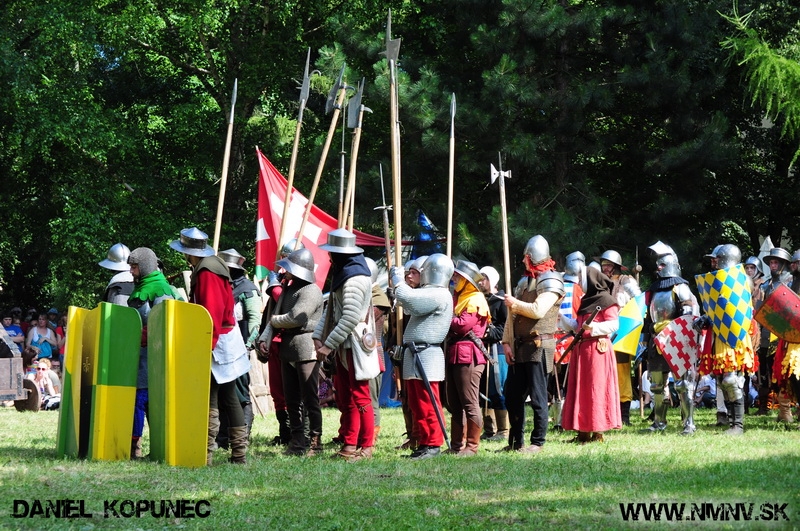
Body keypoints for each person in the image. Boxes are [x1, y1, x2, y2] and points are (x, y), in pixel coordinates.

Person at [170, 227, 250, 464]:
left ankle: (205, 454)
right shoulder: (209, 266)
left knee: (212, 396)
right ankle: (238, 454)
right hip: (220, 337)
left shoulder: (207, 271)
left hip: (216, 340)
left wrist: (207, 344)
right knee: (228, 396)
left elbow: (211, 313)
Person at [313, 229, 374, 462]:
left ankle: (366, 447)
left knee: (360, 396)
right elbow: (331, 310)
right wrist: (317, 336)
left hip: (354, 343)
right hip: (344, 343)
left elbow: (349, 317)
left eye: (332, 253)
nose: (329, 257)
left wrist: (328, 345)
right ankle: (350, 444)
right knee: (347, 397)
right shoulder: (344, 274)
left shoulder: (354, 278)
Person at [501, 235, 565, 453]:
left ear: (532, 257)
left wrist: (514, 303)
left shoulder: (552, 281)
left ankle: (537, 442)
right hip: (520, 347)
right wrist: (507, 343)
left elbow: (538, 310)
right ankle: (515, 442)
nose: (523, 261)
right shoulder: (523, 283)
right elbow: (512, 318)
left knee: (538, 397)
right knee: (512, 395)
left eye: (526, 257)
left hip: (539, 346)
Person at [258, 248, 323, 456]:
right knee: (292, 400)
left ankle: (315, 442)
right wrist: (264, 338)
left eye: (288, 267)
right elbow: (276, 317)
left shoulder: (311, 290)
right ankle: (297, 442)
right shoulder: (288, 288)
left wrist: (275, 321)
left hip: (306, 348)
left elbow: (296, 317)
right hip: (288, 348)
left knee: (310, 399)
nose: (283, 270)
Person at [389, 253, 454, 460]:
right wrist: (398, 292)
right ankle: (424, 441)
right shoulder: (430, 293)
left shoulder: (439, 294)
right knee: (417, 403)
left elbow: (411, 300)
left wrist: (398, 281)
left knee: (427, 401)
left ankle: (433, 444)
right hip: (417, 353)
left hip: (426, 353)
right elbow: (410, 306)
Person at [696, 244, 756, 435]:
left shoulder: (741, 280)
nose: (713, 262)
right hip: (718, 334)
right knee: (722, 380)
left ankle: (738, 425)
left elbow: (739, 308)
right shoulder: (715, 281)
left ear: (726, 259)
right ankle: (730, 421)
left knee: (732, 379)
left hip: (735, 336)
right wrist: (705, 318)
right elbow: (716, 309)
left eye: (716, 259)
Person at [641, 241, 699, 434]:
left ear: (672, 265)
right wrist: (646, 338)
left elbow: (688, 317)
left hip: (676, 340)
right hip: (657, 340)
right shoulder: (654, 290)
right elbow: (649, 318)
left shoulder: (681, 288)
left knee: (683, 385)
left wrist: (678, 335)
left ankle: (689, 423)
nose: (658, 267)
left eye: (663, 264)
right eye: (658, 264)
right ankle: (659, 422)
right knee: (657, 385)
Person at [560, 267, 622, 442]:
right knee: (583, 390)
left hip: (597, 351)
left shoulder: (607, 300)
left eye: (582, 278)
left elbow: (614, 324)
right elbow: (578, 326)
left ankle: (597, 431)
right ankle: (583, 431)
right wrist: (562, 319)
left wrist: (594, 327)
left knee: (596, 389)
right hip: (583, 351)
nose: (580, 282)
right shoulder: (585, 301)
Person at [126, 247, 174, 459]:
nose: (131, 271)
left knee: (143, 401)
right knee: (139, 400)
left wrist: (144, 336)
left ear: (145, 267)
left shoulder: (161, 289)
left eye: (134, 267)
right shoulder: (142, 287)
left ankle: (144, 447)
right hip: (140, 356)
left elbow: (163, 323)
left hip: (153, 359)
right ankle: (136, 446)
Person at [217, 249, 261, 449]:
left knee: (240, 392)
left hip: (240, 346)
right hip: (223, 348)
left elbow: (254, 319)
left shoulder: (247, 289)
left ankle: (241, 436)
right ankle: (223, 437)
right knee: (222, 391)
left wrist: (248, 345)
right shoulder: (223, 286)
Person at [446, 260, 489, 456]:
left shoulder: (475, 299)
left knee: (470, 403)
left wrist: (446, 317)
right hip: (455, 353)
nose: (454, 279)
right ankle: (456, 445)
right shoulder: (458, 298)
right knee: (455, 404)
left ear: (467, 280)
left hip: (469, 354)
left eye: (458, 276)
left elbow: (462, 325)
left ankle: (472, 446)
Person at [599, 250, 642, 426]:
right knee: (605, 372)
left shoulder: (626, 281)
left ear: (616, 266)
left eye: (608, 265)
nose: (605, 268)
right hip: (604, 331)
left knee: (622, 372)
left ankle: (624, 415)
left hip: (623, 332)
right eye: (603, 265)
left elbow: (639, 301)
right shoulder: (601, 282)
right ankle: (608, 412)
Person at [755, 247, 793, 417]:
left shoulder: (792, 283)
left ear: (784, 264)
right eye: (771, 263)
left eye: (776, 262)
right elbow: (759, 311)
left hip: (784, 334)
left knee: (784, 372)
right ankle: (764, 405)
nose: (773, 265)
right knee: (764, 371)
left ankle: (786, 407)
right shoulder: (766, 285)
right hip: (766, 334)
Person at [478, 266, 508, 441]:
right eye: (480, 278)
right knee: (484, 388)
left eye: (484, 278)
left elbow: (506, 327)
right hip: (482, 348)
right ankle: (490, 429)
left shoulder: (502, 301)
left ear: (492, 280)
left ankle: (503, 430)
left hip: (497, 349)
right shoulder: (480, 299)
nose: (481, 282)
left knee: (498, 387)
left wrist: (491, 332)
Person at [364, 257, 391, 444]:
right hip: (361, 352)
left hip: (373, 353)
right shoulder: (365, 294)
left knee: (371, 397)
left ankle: (371, 436)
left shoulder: (379, 298)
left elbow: (364, 318)